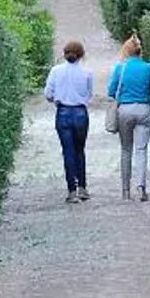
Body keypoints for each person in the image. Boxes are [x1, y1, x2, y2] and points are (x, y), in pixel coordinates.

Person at [42, 38, 95, 202]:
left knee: (68, 151)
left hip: (63, 112)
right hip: (80, 113)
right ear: (81, 55)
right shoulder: (87, 72)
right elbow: (89, 95)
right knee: (80, 150)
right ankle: (83, 187)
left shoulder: (56, 71)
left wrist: (57, 98)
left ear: (64, 55)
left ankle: (71, 190)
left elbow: (48, 94)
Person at [108, 33, 150, 201]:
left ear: (126, 51)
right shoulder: (149, 67)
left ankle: (125, 191)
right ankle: (141, 187)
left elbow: (111, 92)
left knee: (126, 149)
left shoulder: (120, 68)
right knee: (141, 150)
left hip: (125, 111)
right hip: (143, 109)